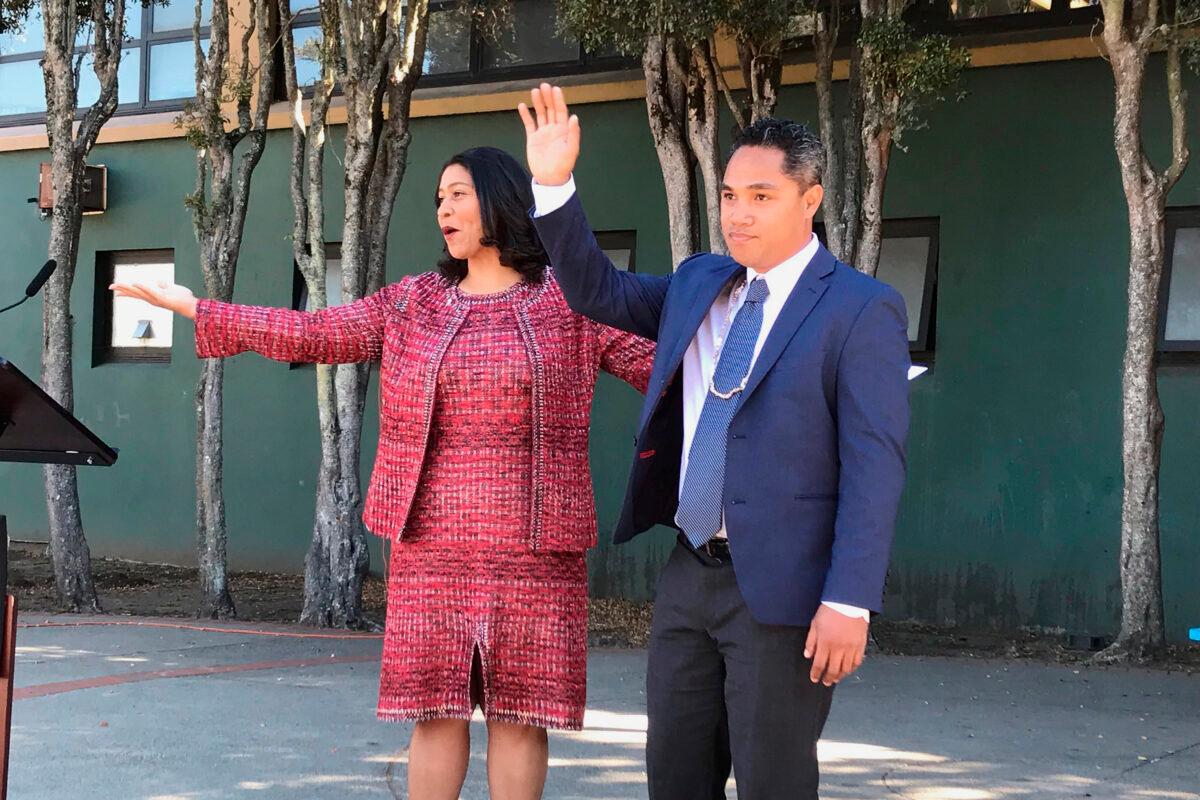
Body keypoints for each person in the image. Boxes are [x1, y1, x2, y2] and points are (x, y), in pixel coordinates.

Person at [111, 146, 655, 800]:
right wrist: (200, 308)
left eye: (459, 194)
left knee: (522, 719)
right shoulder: (413, 302)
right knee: (433, 713)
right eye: (439, 199)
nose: (445, 209)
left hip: (536, 549)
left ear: (502, 201)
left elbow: (668, 368)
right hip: (429, 545)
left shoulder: (571, 302)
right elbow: (312, 334)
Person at [518, 84, 911, 799]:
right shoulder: (703, 281)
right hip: (689, 575)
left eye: (761, 195)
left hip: (786, 589)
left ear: (810, 199)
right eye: (730, 194)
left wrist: (850, 601)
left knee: (773, 782)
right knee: (674, 775)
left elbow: (874, 465)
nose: (738, 212)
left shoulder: (861, 309)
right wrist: (554, 185)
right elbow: (594, 291)